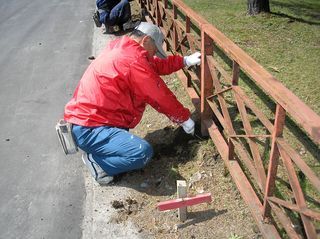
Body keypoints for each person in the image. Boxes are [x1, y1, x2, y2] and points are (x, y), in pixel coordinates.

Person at [64, 22, 201, 185]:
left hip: (89, 120)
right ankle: (97, 163)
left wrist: (184, 61)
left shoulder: (122, 49)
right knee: (140, 153)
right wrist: (183, 118)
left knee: (133, 147)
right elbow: (158, 96)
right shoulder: (132, 60)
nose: (155, 55)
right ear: (146, 40)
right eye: (155, 50)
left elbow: (154, 66)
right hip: (89, 127)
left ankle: (101, 151)